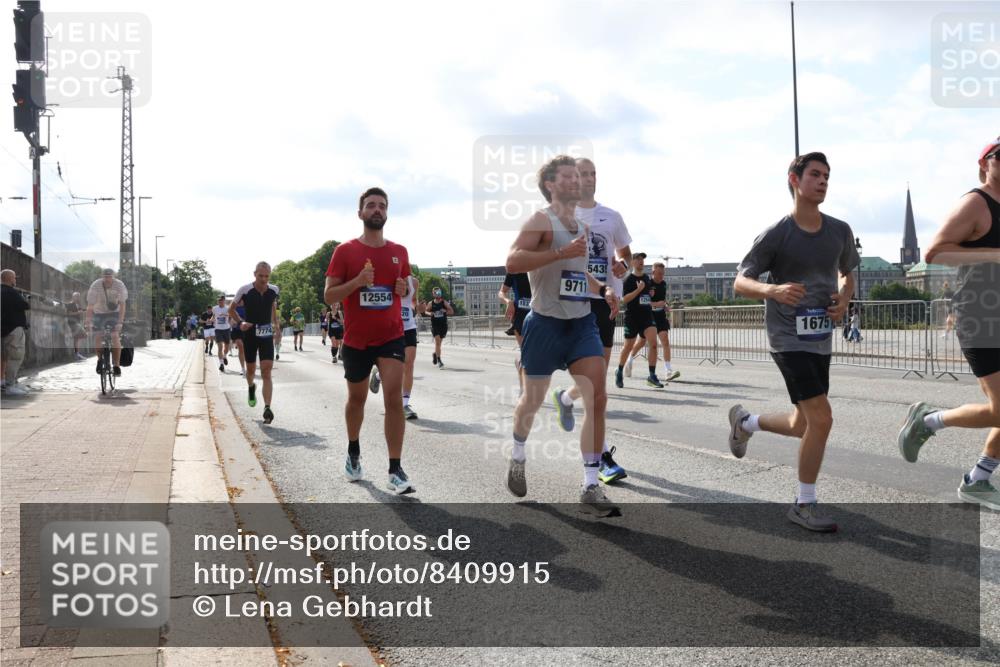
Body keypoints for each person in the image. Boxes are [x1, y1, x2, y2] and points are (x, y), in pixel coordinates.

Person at [727, 152, 859, 532]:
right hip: (787, 337)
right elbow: (741, 280)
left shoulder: (839, 231)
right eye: (815, 175)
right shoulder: (777, 233)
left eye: (827, 176)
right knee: (822, 418)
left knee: (803, 424)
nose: (823, 181)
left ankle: (746, 422)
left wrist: (844, 298)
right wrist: (773, 289)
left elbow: (848, 273)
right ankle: (804, 503)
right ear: (794, 180)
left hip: (820, 337)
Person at [504, 155, 621, 517]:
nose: (576, 180)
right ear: (551, 185)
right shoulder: (542, 219)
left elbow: (578, 271)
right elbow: (512, 261)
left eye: (579, 176)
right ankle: (518, 453)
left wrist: (603, 289)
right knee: (531, 401)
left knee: (597, 399)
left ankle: (590, 485)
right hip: (544, 324)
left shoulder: (580, 225)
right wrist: (559, 251)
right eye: (568, 176)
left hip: (581, 323)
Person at [897, 138, 1000, 510]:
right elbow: (936, 252)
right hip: (981, 316)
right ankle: (929, 421)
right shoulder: (976, 202)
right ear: (985, 164)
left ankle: (979, 479)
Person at [325, 186, 415, 494]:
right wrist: (357, 282)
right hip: (356, 340)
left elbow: (406, 290)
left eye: (382, 206)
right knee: (357, 400)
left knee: (393, 399)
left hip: (391, 336)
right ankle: (353, 452)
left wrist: (405, 289)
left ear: (387, 212)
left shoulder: (399, 252)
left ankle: (395, 469)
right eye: (371, 205)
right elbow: (329, 295)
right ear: (360, 212)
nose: (377, 210)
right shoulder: (345, 251)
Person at [550, 157, 632, 485]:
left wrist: (622, 269)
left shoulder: (612, 217)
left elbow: (625, 254)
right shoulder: (563, 217)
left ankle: (566, 398)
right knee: (596, 388)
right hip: (574, 303)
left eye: (593, 173)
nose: (589, 178)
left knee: (596, 386)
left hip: (605, 305)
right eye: (582, 174)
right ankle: (600, 460)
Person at [229, 263, 281, 425]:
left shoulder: (274, 290)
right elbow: (231, 309)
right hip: (250, 333)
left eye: (267, 276)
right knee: (251, 370)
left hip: (266, 334)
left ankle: (267, 407)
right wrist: (240, 322)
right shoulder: (244, 290)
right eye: (261, 276)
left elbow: (272, 306)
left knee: (266, 371)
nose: (264, 279)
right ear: (255, 274)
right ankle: (251, 387)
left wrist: (276, 326)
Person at [370, 272, 421, 420]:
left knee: (409, 364)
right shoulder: (387, 277)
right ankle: (378, 375)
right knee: (394, 367)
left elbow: (413, 301)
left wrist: (417, 308)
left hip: (409, 327)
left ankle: (404, 404)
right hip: (391, 327)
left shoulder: (414, 282)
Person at [625, 261, 680, 382]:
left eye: (663, 274)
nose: (661, 276)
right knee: (642, 342)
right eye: (659, 273)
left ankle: (668, 371)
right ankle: (629, 360)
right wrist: (655, 304)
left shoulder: (664, 284)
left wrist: (664, 305)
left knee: (665, 339)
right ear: (653, 272)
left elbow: (662, 299)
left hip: (660, 315)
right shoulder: (647, 284)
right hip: (648, 315)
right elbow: (641, 302)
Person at [614, 253, 663, 389]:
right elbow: (624, 300)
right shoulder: (628, 279)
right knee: (628, 346)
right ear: (633, 262)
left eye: (643, 259)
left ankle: (652, 376)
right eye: (639, 259)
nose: (642, 261)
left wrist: (649, 294)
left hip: (647, 315)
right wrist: (638, 290)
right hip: (632, 317)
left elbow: (645, 296)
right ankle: (619, 370)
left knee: (653, 344)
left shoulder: (647, 278)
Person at [85, 268, 128, 378]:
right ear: (102, 277)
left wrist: (120, 322)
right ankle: (100, 360)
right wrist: (88, 321)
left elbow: (123, 305)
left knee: (114, 336)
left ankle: (117, 366)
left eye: (110, 276)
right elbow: (90, 306)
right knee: (98, 336)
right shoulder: (95, 285)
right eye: (105, 276)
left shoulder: (119, 285)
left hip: (114, 313)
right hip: (99, 312)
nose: (108, 279)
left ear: (113, 276)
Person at [499, 271, 531, 386]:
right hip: (520, 316)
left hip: (538, 314)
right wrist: (508, 302)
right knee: (526, 353)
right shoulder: (514, 268)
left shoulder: (539, 264)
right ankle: (525, 390)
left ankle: (520, 365)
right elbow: (501, 292)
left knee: (533, 355)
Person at [1, 269, 30, 395]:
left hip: (3, 329)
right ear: (9, 279)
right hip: (13, 329)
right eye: (14, 278)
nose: (15, 280)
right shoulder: (12, 292)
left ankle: (4, 382)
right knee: (15, 357)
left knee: (3, 357)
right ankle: (10, 386)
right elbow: (26, 305)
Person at [424, 287, 453, 368]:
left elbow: (451, 311)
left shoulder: (444, 302)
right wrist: (430, 314)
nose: (437, 294)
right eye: (435, 292)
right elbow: (426, 311)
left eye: (438, 292)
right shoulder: (431, 303)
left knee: (439, 344)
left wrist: (445, 311)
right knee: (437, 342)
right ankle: (439, 361)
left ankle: (435, 354)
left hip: (443, 325)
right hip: (435, 325)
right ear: (433, 294)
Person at [212, 295, 232, 372]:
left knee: (226, 347)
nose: (220, 302)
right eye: (219, 301)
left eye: (221, 301)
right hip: (218, 329)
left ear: (224, 301)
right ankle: (221, 364)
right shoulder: (214, 308)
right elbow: (214, 316)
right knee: (220, 347)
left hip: (226, 329)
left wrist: (225, 315)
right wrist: (211, 320)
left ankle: (224, 356)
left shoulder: (228, 308)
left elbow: (231, 315)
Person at [65, 292, 87, 361]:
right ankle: (76, 354)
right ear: (73, 297)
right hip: (73, 323)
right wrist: (78, 312)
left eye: (78, 296)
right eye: (76, 296)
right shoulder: (70, 304)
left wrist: (85, 310)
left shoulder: (78, 305)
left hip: (77, 322)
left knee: (77, 338)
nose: (77, 298)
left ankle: (77, 354)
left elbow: (82, 310)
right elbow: (69, 313)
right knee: (83, 334)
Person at [230, 301, 248, 376]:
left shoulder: (248, 307)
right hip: (237, 330)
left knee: (247, 350)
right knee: (240, 346)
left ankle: (248, 366)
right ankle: (243, 368)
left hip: (247, 330)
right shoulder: (234, 308)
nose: (240, 301)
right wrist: (232, 322)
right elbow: (231, 319)